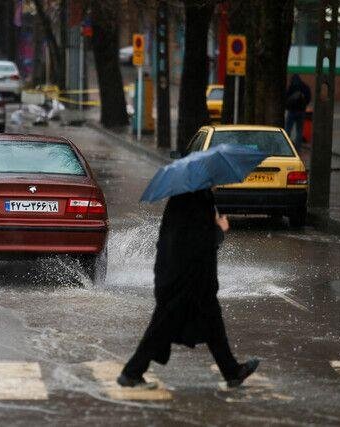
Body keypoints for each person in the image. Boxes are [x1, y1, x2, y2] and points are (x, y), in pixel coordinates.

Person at [118, 189, 259, 389]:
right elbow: (198, 242)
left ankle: (232, 371)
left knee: (212, 324)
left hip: (188, 278)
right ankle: (131, 373)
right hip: (185, 280)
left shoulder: (187, 196)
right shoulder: (194, 198)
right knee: (163, 326)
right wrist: (220, 228)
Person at [285, 74, 311, 150]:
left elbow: (286, 98)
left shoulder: (291, 87)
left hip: (292, 111)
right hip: (301, 112)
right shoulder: (305, 87)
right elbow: (308, 98)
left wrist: (288, 107)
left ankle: (286, 147)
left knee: (288, 129)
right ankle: (298, 147)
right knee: (299, 130)